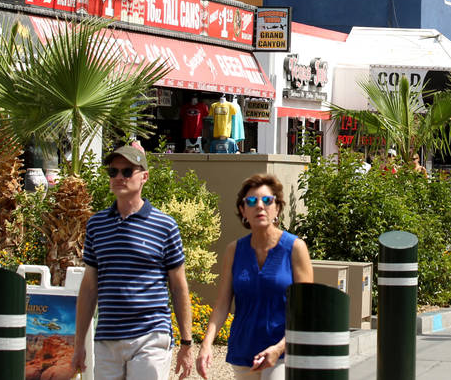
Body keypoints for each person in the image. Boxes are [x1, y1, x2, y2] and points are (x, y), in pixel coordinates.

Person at [72, 144, 194, 380]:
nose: (119, 177)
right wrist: (79, 344)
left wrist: (186, 343)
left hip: (150, 336)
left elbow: (179, 286)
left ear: (144, 177)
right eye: (113, 172)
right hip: (107, 338)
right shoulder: (97, 225)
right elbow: (89, 287)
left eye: (127, 172)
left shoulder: (165, 226)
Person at [197, 174, 314, 379]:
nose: (260, 206)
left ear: (277, 208)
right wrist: (206, 344)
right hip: (244, 351)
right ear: (243, 211)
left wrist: (279, 348)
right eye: (251, 201)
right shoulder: (234, 250)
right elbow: (223, 303)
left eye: (267, 200)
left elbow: (306, 310)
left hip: (284, 352)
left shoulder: (295, 248)